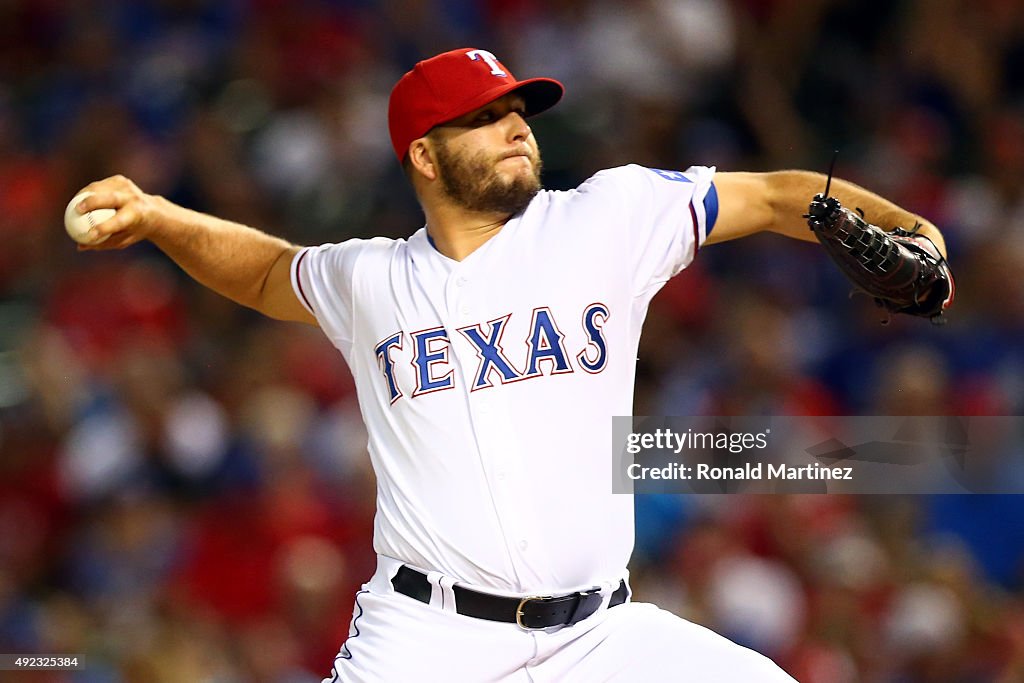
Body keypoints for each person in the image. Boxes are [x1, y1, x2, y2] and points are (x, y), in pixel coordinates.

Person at [73, 48, 947, 682]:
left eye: (519, 111)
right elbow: (269, 271)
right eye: (485, 118)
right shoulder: (373, 279)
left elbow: (774, 196)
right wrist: (157, 216)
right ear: (423, 153)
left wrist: (908, 227)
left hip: (602, 637)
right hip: (428, 639)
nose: (515, 127)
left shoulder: (607, 217)